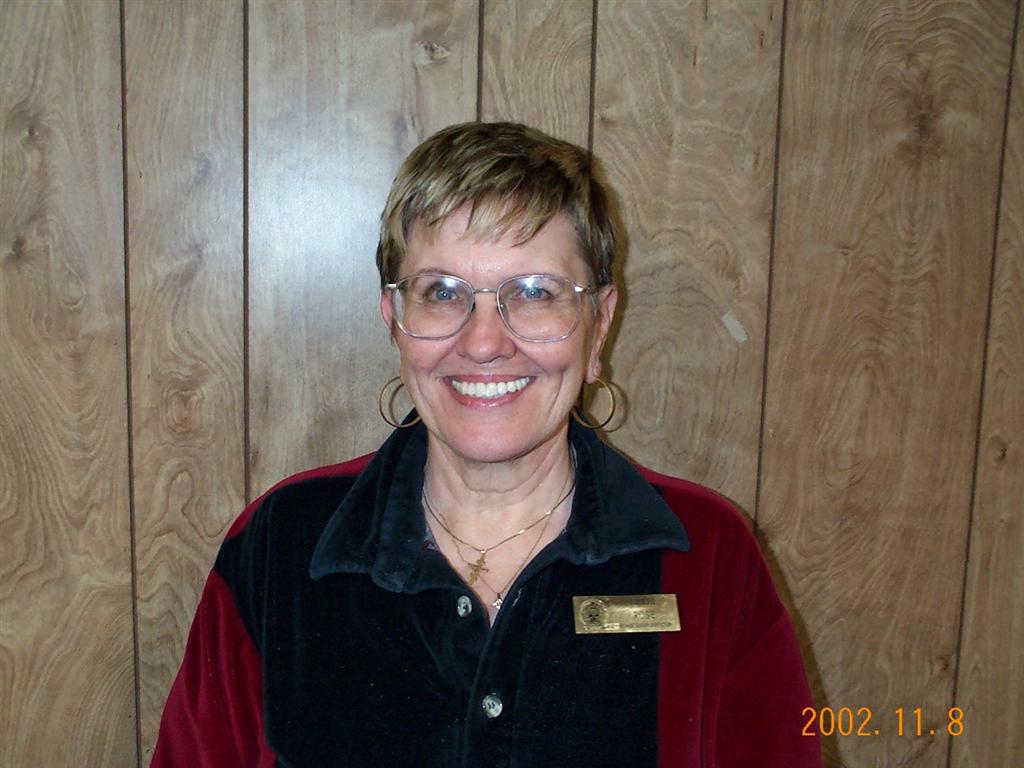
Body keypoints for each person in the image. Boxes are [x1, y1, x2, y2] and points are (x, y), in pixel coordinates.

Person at [152, 122, 821, 767]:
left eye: (533, 292)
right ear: (394, 321)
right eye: (442, 292)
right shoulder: (280, 548)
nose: (483, 343)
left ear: (599, 324)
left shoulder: (708, 558)